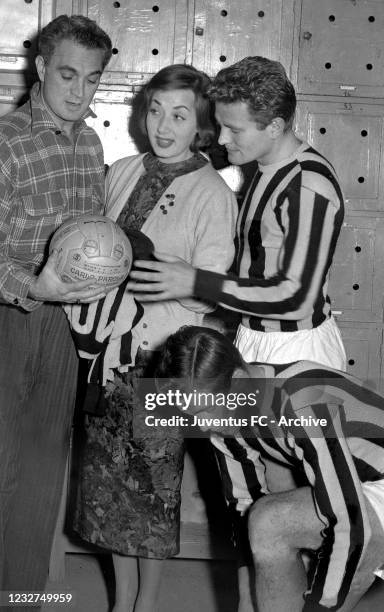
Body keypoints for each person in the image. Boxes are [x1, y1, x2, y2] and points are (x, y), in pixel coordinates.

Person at [72, 64, 237, 612]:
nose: (164, 125)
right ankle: (122, 605)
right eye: (156, 110)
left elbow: (210, 293)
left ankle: (146, 607)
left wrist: (166, 272)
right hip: (106, 358)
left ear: (202, 125)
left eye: (181, 114)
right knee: (109, 499)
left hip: (160, 364)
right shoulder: (120, 169)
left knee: (152, 499)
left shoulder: (212, 192)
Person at [126, 55, 346, 370]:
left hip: (298, 349)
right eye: (220, 125)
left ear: (274, 127)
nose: (222, 138)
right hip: (253, 338)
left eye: (234, 129)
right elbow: (258, 271)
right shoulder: (265, 168)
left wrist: (198, 282)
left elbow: (297, 298)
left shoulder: (307, 184)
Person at [0, 14, 113, 603]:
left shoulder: (91, 141)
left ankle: (19, 594)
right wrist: (33, 286)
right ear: (41, 67)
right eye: (67, 75)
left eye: (92, 80)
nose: (78, 92)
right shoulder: (6, 141)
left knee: (45, 472)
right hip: (10, 315)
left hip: (68, 327)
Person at [155, 325, 384, 612]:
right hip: (363, 486)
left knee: (273, 522)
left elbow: (350, 525)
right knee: (263, 521)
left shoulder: (302, 400)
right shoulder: (227, 419)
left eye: (204, 412)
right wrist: (247, 597)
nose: (201, 426)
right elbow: (244, 509)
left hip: (373, 488)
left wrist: (319, 607)